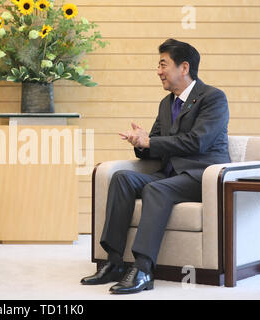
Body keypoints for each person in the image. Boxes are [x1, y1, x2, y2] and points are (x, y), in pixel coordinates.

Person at [80, 38, 230, 294]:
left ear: (184, 68)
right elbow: (154, 146)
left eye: (163, 65)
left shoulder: (212, 98)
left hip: (201, 175)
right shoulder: (166, 103)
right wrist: (140, 143)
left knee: (156, 190)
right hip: (169, 175)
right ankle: (114, 261)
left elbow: (198, 141)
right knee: (122, 178)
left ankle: (143, 268)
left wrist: (151, 141)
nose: (158, 71)